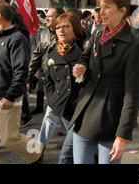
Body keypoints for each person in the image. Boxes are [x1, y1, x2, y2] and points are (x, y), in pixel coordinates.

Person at [71, 0, 139, 164]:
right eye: (100, 7)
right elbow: (85, 56)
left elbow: (132, 94)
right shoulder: (98, 33)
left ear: (122, 11)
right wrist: (82, 67)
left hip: (110, 119)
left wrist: (122, 136)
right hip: (85, 113)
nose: (101, 12)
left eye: (107, 7)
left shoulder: (135, 46)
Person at [0, 2, 43, 163]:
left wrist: (11, 95)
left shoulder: (17, 39)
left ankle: (37, 151)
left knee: (8, 139)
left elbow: (21, 71)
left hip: (6, 99)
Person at [43, 12, 85, 164]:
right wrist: (53, 100)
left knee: (66, 156)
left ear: (76, 29)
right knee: (82, 150)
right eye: (58, 27)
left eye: (66, 26)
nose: (61, 30)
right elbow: (48, 80)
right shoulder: (53, 53)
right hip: (62, 109)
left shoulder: (84, 51)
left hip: (81, 111)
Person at [28, 6, 69, 159]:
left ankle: (39, 152)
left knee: (50, 115)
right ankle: (72, 137)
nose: (46, 18)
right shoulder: (44, 34)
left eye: (49, 16)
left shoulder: (68, 34)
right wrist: (29, 75)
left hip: (62, 82)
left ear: (59, 17)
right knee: (63, 114)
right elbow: (37, 55)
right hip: (47, 80)